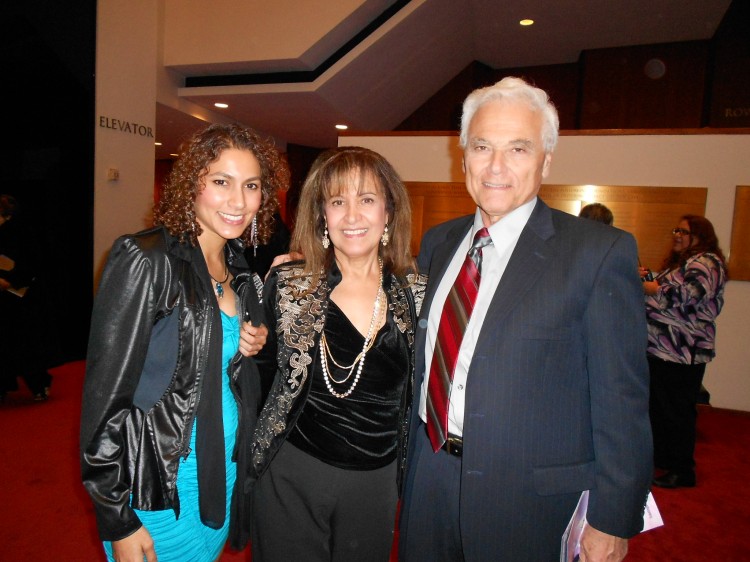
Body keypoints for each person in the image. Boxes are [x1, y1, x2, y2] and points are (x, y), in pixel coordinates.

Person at [398, 77, 652, 562]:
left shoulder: (597, 253)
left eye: (518, 148)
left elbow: (622, 399)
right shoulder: (439, 242)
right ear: (463, 154)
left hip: (528, 504)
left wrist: (613, 517)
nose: (496, 166)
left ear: (546, 160)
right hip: (428, 479)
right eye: (482, 146)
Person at [80, 123, 286, 562]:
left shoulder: (238, 265)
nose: (238, 201)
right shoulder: (147, 259)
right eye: (221, 182)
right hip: (159, 484)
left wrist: (255, 339)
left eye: (251, 185)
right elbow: (103, 397)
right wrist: (117, 517)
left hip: (223, 472)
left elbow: (222, 357)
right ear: (192, 184)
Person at [249, 146, 426, 561]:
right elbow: (254, 376)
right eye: (338, 201)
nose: (352, 215)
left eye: (366, 200)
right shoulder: (290, 285)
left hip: (375, 483)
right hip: (291, 473)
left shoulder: (418, 293)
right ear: (321, 215)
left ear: (388, 211)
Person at [640, 215, 727, 489]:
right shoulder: (684, 263)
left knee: (677, 412)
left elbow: (685, 296)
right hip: (663, 351)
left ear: (699, 235)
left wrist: (649, 287)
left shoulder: (707, 262)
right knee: (661, 408)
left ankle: (682, 470)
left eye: (683, 231)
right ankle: (666, 458)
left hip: (682, 351)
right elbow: (668, 289)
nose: (676, 234)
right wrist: (650, 278)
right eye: (675, 229)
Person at [0, 194, 55, 402]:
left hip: (22, 299)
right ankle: (3, 385)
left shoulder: (21, 234)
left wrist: (10, 281)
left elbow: (32, 263)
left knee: (26, 345)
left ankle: (39, 385)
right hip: (3, 300)